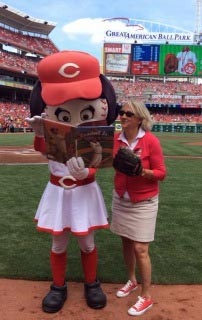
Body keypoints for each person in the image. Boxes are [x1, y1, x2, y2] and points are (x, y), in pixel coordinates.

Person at [26, 50, 118, 313]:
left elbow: (97, 162)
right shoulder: (47, 128)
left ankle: (92, 284)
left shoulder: (97, 131)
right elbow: (44, 151)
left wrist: (87, 174)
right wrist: (40, 133)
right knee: (58, 243)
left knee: (87, 243)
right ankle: (58, 286)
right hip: (58, 191)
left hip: (84, 191)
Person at [110, 99, 167, 316]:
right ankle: (131, 280)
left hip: (144, 201)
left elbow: (162, 173)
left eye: (128, 114)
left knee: (140, 249)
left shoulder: (151, 141)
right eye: (121, 112)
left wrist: (141, 171)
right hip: (121, 197)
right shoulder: (116, 139)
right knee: (125, 239)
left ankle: (146, 296)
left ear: (140, 119)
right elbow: (108, 162)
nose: (123, 116)